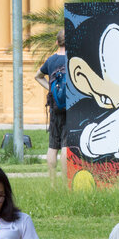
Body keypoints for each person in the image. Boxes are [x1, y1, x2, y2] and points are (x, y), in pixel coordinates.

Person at [34, 29, 68, 185]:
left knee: (53, 145)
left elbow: (37, 76)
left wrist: (50, 88)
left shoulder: (51, 60)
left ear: (57, 42)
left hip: (54, 107)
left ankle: (52, 181)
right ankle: (65, 181)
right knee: (65, 146)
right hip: (70, 107)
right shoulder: (72, 59)